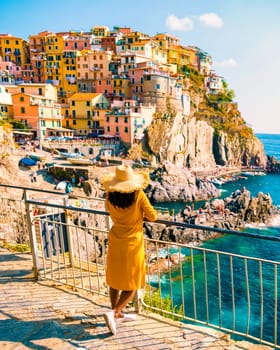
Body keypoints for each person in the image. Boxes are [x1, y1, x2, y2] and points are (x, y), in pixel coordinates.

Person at [101, 164, 158, 335]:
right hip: (132, 242)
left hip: (116, 239)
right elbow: (153, 216)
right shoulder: (138, 195)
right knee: (133, 284)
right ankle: (115, 312)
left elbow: (109, 211)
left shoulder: (109, 196)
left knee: (115, 280)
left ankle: (116, 315)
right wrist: (139, 216)